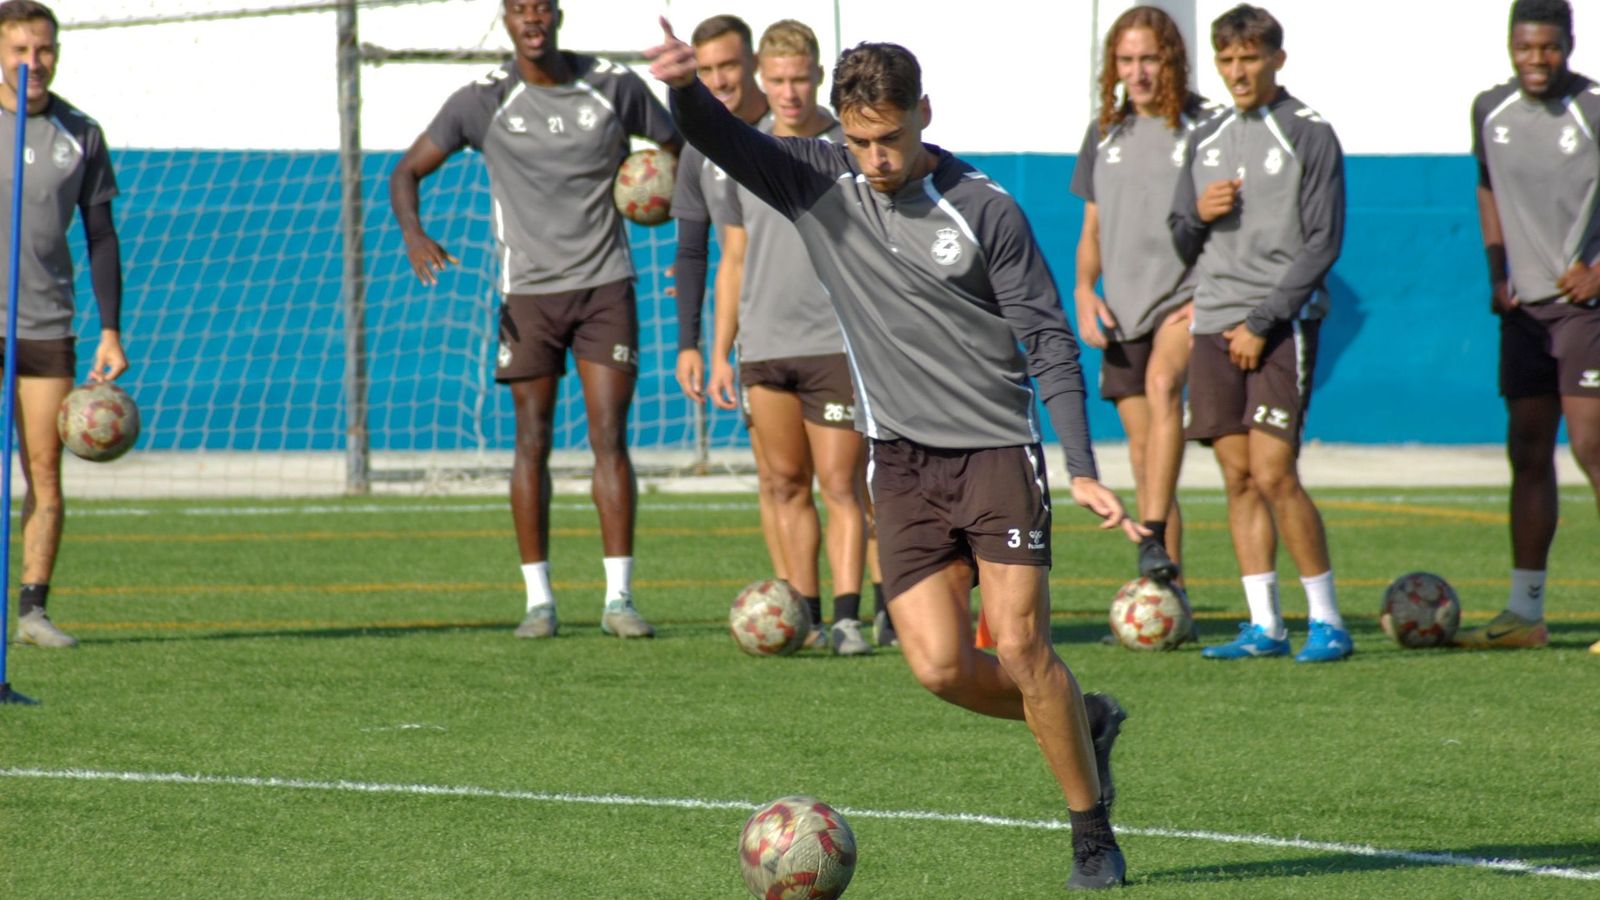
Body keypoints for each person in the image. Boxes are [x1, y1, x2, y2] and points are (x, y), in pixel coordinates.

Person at [649, 25, 1141, 890]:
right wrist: (688, 91)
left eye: (893, 138)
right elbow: (721, 139)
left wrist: (1082, 463)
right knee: (941, 668)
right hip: (901, 463)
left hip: (994, 452)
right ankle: (1084, 717)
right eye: (861, 140)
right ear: (841, 129)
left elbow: (1050, 341)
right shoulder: (814, 179)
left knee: (1024, 648)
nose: (877, 159)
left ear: (925, 114)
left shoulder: (985, 208)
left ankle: (1090, 829)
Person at [389, 0, 679, 639]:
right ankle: (539, 601)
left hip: (606, 288)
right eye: (519, 7)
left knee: (609, 436)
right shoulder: (481, 101)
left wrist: (680, 220)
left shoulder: (614, 86)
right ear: (506, 18)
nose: (532, 17)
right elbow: (406, 171)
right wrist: (414, 234)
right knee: (531, 441)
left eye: (541, 6)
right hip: (527, 297)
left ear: (557, 14)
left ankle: (619, 600)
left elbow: (679, 149)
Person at [1168, 4, 1354, 663]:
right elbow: (1180, 234)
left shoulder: (1307, 132)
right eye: (1226, 60)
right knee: (1237, 474)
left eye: (1249, 58)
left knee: (1276, 472)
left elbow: (1323, 243)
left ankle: (1327, 621)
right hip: (1214, 323)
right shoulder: (1207, 134)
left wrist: (1261, 322)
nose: (1237, 72)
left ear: (1277, 58)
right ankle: (1264, 626)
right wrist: (1198, 211)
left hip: (1278, 326)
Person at [702, 20, 871, 655]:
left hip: (835, 343)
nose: (789, 91)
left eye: (800, 78)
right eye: (776, 80)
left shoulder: (848, 149)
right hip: (765, 347)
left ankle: (851, 617)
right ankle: (808, 614)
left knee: (841, 484)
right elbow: (734, 261)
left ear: (818, 75)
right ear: (760, 81)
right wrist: (721, 349)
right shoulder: (739, 155)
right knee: (784, 484)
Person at [1460, 0, 1600, 653]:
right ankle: (1525, 613)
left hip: (1587, 311)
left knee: (1594, 450)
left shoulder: (1593, 108)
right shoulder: (1490, 110)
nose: (1536, 60)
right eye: (1525, 48)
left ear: (1568, 45)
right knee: (1527, 452)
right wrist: (1497, 269)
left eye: (1548, 48)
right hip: (1525, 313)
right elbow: (1488, 187)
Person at [1071, 6, 1211, 591]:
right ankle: (1167, 591)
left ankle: (1150, 537)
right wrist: (1083, 291)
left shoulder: (1205, 126)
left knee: (1162, 387)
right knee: (1145, 456)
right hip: (1122, 310)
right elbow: (1093, 229)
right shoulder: (1106, 130)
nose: (1139, 71)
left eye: (1149, 58)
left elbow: (1232, 221)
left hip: (1184, 304)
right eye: (1126, 61)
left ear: (1172, 58)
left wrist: (1214, 293)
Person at [2, 0, 127, 650]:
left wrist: (110, 330)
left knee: (44, 469)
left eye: (43, 50)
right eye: (21, 50)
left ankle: (32, 612)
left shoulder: (81, 133)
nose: (33, 64)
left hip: (45, 324)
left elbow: (102, 238)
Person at [669, 15, 792, 590]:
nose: (719, 80)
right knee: (775, 479)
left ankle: (883, 608)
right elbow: (693, 253)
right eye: (707, 69)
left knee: (852, 482)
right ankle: (796, 602)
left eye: (729, 66)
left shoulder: (794, 131)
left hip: (829, 333)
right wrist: (691, 345)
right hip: (757, 338)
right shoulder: (699, 151)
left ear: (754, 67)